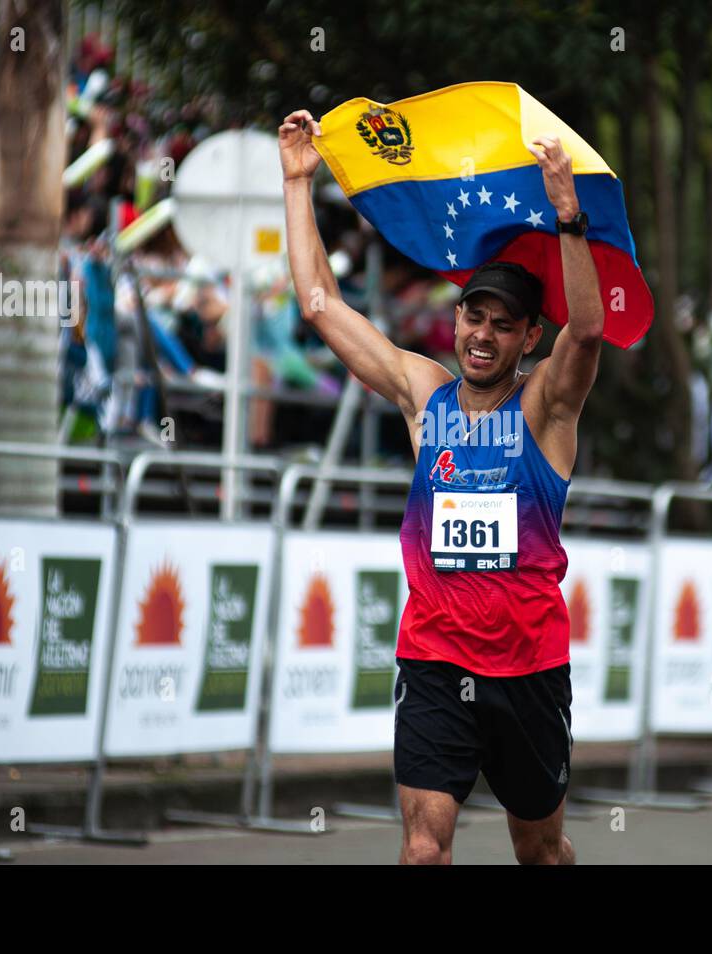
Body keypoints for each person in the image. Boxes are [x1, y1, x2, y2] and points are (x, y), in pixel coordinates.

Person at [280, 108, 605, 865]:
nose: (482, 336)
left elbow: (586, 333)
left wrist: (569, 219)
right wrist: (299, 181)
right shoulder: (423, 396)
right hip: (435, 660)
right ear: (455, 322)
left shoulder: (546, 408)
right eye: (473, 318)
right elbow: (322, 305)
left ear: (528, 338)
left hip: (530, 668)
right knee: (425, 850)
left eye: (502, 325)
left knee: (542, 851)